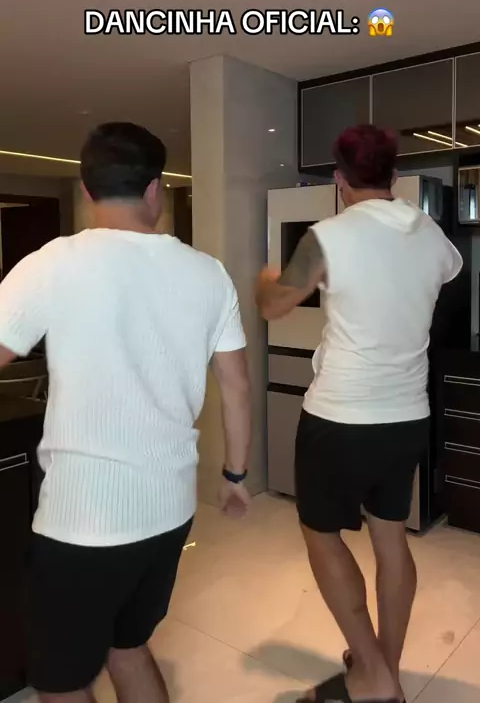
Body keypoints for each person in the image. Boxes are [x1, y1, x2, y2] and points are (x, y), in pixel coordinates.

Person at [0, 122, 251, 703]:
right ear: (156, 188)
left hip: (81, 522)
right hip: (169, 511)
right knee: (129, 645)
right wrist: (234, 476)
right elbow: (236, 386)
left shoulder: (53, 263)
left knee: (61, 682)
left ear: (87, 190)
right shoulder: (208, 273)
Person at [256, 125, 463, 703]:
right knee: (391, 538)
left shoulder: (326, 237)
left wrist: (266, 279)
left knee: (321, 535)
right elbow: (446, 273)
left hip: (340, 417)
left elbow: (275, 306)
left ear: (339, 180)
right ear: (394, 176)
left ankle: (372, 674)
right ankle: (383, 670)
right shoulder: (430, 233)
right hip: (407, 415)